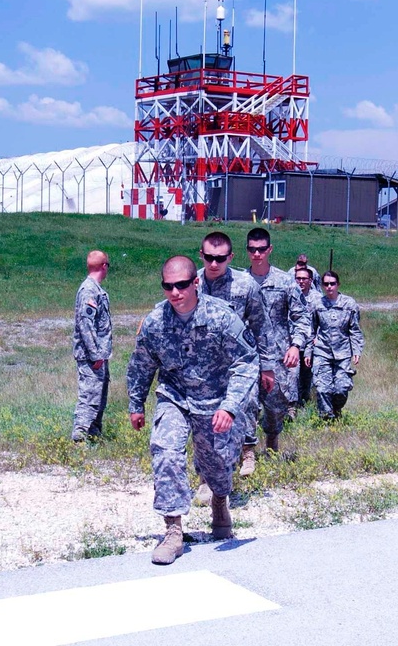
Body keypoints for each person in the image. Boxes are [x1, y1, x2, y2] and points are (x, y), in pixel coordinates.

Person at [127, 256, 259, 565]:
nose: (175, 292)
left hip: (215, 402)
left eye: (182, 285)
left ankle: (220, 500)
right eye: (168, 286)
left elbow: (247, 361)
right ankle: (173, 532)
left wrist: (230, 406)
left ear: (195, 283)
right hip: (175, 396)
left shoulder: (221, 317)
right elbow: (141, 365)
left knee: (217, 464)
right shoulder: (156, 321)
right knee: (166, 450)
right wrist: (136, 403)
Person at [197, 231, 271, 485]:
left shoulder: (245, 285)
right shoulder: (191, 283)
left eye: (220, 258)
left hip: (238, 361)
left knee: (246, 404)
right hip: (203, 365)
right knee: (207, 417)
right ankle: (208, 478)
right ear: (201, 255)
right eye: (208, 257)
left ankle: (248, 450)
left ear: (231, 256)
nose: (214, 264)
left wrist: (268, 367)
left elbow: (261, 326)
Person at [245, 227, 311, 453]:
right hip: (247, 355)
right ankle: (248, 452)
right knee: (247, 404)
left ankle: (272, 440)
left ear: (269, 250)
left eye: (261, 249)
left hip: (278, 357)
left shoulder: (285, 281)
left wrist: (296, 345)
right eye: (252, 250)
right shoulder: (241, 282)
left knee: (275, 408)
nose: (257, 254)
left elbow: (302, 316)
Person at [305, 270, 364, 420]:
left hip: (342, 352)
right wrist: (308, 351)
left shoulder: (349, 304)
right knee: (323, 388)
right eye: (326, 284)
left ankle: (336, 410)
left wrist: (356, 350)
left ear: (338, 284)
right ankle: (327, 420)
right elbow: (311, 330)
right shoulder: (318, 304)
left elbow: (355, 329)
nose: (329, 287)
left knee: (341, 389)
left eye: (332, 283)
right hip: (322, 351)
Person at [72, 250, 112, 442]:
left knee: (99, 397)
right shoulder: (89, 290)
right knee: (89, 396)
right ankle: (79, 436)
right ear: (104, 266)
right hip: (92, 356)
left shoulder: (96, 289)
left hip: (99, 354)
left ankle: (94, 434)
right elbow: (85, 324)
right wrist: (95, 354)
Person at [293, 265, 322, 405]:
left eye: (304, 279)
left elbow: (322, 321)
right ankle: (293, 403)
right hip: (293, 343)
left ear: (310, 280)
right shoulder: (290, 295)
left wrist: (317, 338)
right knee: (293, 375)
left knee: (308, 374)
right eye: (298, 278)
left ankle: (306, 400)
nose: (301, 281)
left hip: (310, 343)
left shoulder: (318, 299)